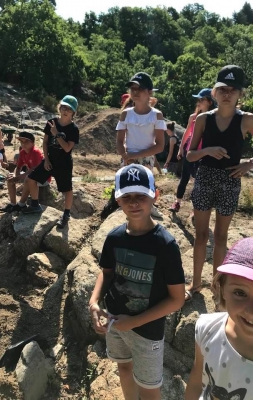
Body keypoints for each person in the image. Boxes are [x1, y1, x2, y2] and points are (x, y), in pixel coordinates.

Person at [89, 164, 185, 400]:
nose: (134, 202)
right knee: (123, 367)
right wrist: (93, 302)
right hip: (115, 321)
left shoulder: (165, 245)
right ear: (117, 199)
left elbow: (177, 299)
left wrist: (133, 322)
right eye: (127, 196)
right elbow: (107, 272)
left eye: (141, 195)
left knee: (150, 388)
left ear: (155, 195)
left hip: (147, 330)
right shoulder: (114, 238)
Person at [185, 65, 253, 301]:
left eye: (233, 90)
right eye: (222, 89)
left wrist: (248, 164)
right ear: (214, 92)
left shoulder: (246, 120)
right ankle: (195, 283)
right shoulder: (204, 119)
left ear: (240, 94)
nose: (227, 94)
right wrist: (208, 150)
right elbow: (189, 154)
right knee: (201, 234)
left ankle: (216, 286)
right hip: (205, 178)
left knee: (221, 236)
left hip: (230, 181)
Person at [185, 237, 253, 400]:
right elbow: (196, 381)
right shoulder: (207, 328)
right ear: (221, 289)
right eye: (240, 293)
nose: (251, 311)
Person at [10, 95, 79, 229]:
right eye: (63, 107)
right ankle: (35, 205)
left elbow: (67, 148)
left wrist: (56, 133)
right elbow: (46, 142)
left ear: (73, 112)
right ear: (60, 107)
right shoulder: (51, 122)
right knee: (30, 179)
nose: (65, 111)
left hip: (63, 164)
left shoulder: (73, 129)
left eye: (69, 109)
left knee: (67, 190)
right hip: (49, 161)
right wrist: (46, 159)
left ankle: (66, 214)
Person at [116, 72, 166, 217]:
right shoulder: (126, 114)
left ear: (149, 92)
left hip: (146, 158)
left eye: (140, 89)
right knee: (127, 189)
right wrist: (125, 155)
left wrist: (134, 155)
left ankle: (150, 207)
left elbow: (160, 145)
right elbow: (119, 141)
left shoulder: (156, 115)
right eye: (133, 89)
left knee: (144, 189)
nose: (136, 92)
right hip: (128, 157)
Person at [169, 88, 215, 213]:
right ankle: (177, 203)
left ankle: (196, 211)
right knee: (184, 178)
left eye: (201, 99)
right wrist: (180, 149)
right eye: (198, 100)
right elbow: (187, 133)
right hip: (190, 152)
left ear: (210, 102)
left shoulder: (215, 119)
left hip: (204, 155)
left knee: (199, 183)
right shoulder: (193, 117)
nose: (198, 102)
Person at [0, 132, 44, 212]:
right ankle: (13, 204)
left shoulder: (36, 152)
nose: (23, 144)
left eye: (26, 142)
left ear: (32, 143)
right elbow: (19, 166)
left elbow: (34, 169)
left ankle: (21, 204)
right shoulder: (23, 152)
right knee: (10, 177)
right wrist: (15, 176)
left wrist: (19, 177)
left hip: (42, 177)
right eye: (22, 142)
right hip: (30, 176)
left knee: (28, 178)